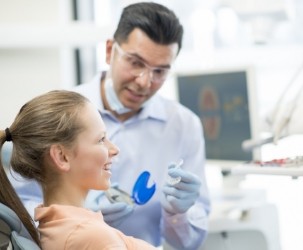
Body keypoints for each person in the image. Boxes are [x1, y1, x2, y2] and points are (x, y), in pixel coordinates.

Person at [12, 2, 211, 249]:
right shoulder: (64, 115)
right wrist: (78, 212)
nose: (144, 82)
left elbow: (188, 243)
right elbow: (16, 206)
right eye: (136, 63)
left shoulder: (183, 126)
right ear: (109, 51)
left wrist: (178, 214)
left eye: (159, 71)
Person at [0, 90, 157, 249]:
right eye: (101, 139)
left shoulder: (57, 227)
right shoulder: (91, 237)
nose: (115, 149)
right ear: (62, 157)